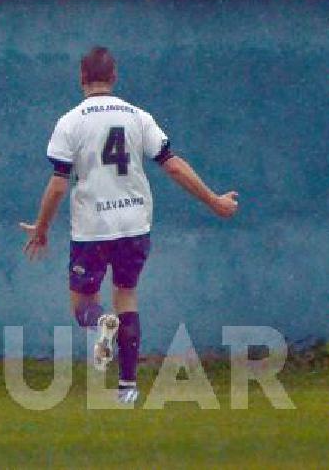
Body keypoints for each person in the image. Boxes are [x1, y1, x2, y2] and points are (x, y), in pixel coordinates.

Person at [20, 46, 238, 405]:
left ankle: (100, 324)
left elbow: (59, 184)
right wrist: (213, 200)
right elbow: (173, 165)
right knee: (127, 294)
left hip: (93, 226)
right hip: (136, 223)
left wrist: (42, 228)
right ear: (115, 76)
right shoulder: (138, 116)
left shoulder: (70, 121)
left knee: (82, 303)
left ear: (81, 78)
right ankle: (127, 388)